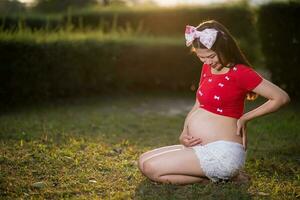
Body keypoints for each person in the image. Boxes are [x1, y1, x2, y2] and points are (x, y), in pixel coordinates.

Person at [137, 20, 290, 185]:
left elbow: (281, 98)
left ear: (224, 48)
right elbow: (198, 103)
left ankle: (217, 178)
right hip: (200, 148)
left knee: (151, 168)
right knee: (142, 161)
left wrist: (245, 118)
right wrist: (184, 131)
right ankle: (213, 177)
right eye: (201, 57)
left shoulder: (240, 73)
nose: (207, 62)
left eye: (210, 56)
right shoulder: (207, 68)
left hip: (222, 153)